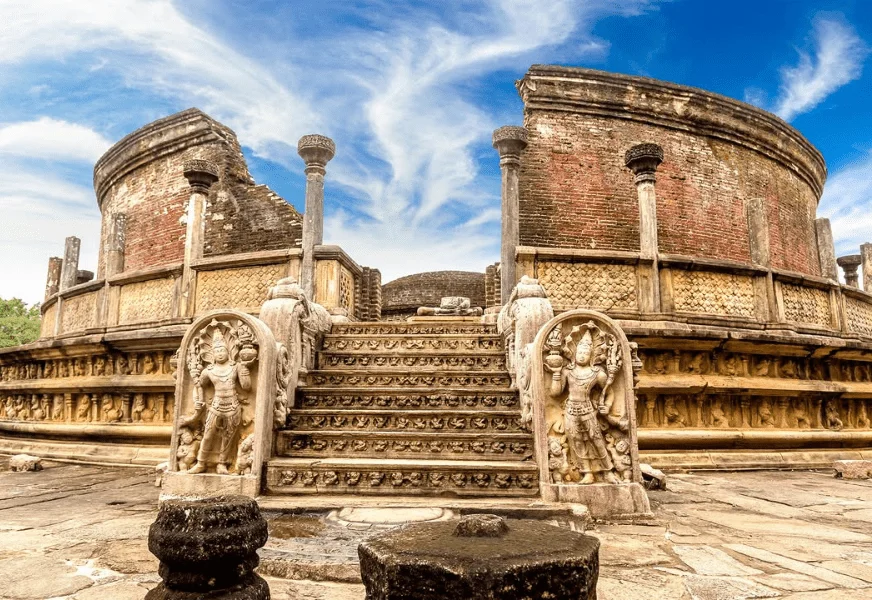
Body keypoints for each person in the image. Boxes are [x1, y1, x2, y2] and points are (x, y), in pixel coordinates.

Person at [547, 328, 618, 484]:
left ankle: (609, 471)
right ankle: (587, 473)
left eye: (586, 353)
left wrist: (607, 405)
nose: (582, 355)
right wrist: (556, 373)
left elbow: (610, 392)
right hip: (571, 409)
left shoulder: (597, 373)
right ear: (574, 352)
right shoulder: (567, 371)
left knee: (597, 440)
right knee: (576, 442)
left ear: (591, 355)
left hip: (588, 410)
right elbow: (555, 393)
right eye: (579, 352)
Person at [186, 331, 252, 474]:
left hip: (233, 406)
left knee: (228, 437)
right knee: (208, 435)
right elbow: (199, 387)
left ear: (228, 352)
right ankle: (201, 462)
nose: (220, 353)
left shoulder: (235, 367)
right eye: (217, 351)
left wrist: (245, 370)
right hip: (215, 406)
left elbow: (247, 387)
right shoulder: (208, 371)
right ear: (212, 354)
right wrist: (197, 400)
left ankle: (222, 463)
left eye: (222, 350)